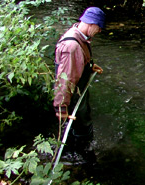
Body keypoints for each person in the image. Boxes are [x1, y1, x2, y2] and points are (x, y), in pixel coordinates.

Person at [53, 7, 105, 163]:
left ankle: (79, 153)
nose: (100, 31)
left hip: (78, 93)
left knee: (80, 125)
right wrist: (61, 108)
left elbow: (76, 65)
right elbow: (65, 81)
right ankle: (80, 158)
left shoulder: (79, 36)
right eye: (99, 27)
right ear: (91, 24)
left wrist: (89, 67)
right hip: (73, 97)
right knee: (80, 126)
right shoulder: (72, 46)